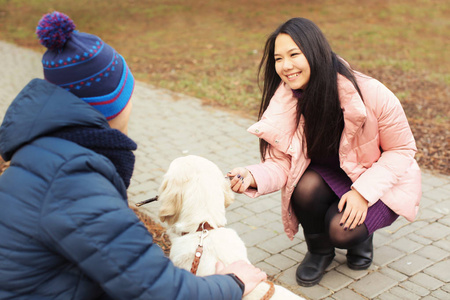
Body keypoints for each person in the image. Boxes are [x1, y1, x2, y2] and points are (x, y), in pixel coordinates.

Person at [0, 11, 266, 299]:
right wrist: (234, 282)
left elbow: (122, 262)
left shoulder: (46, 157)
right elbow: (160, 293)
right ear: (113, 103)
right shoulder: (74, 181)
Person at [228, 17, 421, 287]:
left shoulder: (372, 93)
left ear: (316, 51)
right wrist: (252, 176)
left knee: (342, 229)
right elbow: (283, 164)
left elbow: (401, 150)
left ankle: (362, 238)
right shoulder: (285, 103)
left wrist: (363, 194)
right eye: (278, 58)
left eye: (294, 54)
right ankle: (319, 251)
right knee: (302, 187)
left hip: (377, 182)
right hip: (326, 177)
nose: (286, 66)